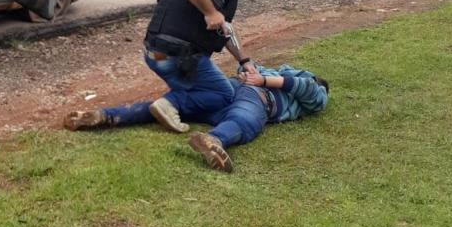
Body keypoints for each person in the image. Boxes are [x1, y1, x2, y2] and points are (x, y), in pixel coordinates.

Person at [63, 64, 329, 173]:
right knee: (246, 121)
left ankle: (104, 116)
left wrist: (250, 72)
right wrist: (264, 80)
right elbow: (307, 89)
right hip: (256, 96)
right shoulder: (308, 84)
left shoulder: (273, 70)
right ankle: (214, 140)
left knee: (174, 107)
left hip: (230, 94)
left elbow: (243, 68)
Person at [142, 0, 266, 132]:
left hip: (154, 52)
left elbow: (223, 29)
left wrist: (244, 61)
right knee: (224, 94)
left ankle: (170, 104)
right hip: (179, 57)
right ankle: (170, 103)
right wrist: (211, 13)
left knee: (197, 92)